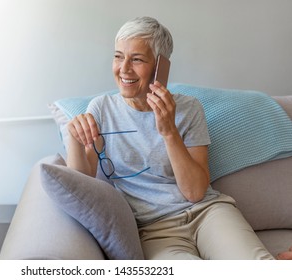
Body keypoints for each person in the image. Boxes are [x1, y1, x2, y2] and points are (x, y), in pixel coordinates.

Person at [66, 16, 289, 260]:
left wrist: (169, 131)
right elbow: (81, 179)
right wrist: (74, 137)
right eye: (118, 56)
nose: (124, 68)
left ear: (160, 66)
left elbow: (195, 192)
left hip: (208, 213)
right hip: (154, 229)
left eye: (137, 59)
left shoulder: (188, 109)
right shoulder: (101, 109)